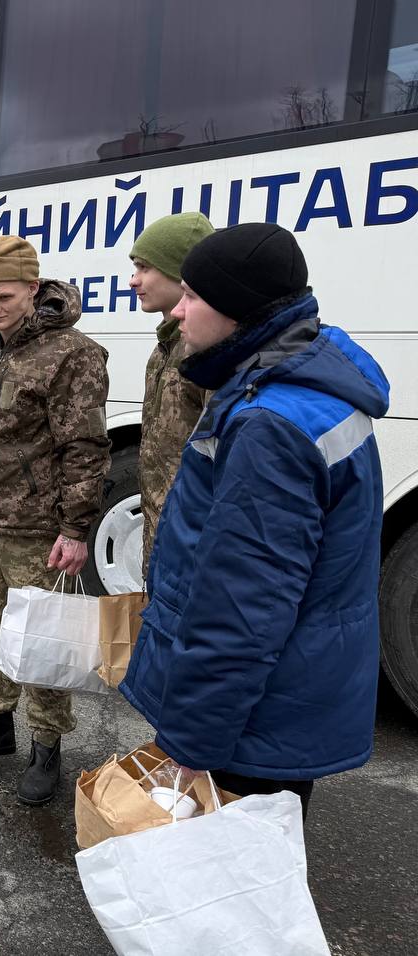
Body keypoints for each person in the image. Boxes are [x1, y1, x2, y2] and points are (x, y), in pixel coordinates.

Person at [121, 223, 389, 819]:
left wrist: (193, 739)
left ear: (237, 309)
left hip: (255, 715)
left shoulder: (268, 421)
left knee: (229, 886)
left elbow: (243, 605)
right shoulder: (304, 386)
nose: (179, 312)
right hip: (285, 692)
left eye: (192, 296)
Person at [0, 236, 111, 804]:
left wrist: (76, 528)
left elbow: (84, 447)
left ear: (34, 289)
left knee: (39, 636)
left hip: (37, 526)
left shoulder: (72, 353)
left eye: (3, 297)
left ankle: (46, 742)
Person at [128, 212, 214, 577]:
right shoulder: (167, 346)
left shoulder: (204, 351)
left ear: (182, 273)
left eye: (145, 268)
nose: (134, 280)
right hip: (164, 533)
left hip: (193, 542)